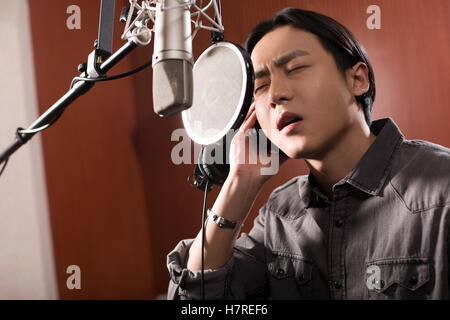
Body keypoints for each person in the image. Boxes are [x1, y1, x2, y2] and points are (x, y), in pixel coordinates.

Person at [166, 8, 450, 299]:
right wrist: (240, 184)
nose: (275, 95)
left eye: (296, 69)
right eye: (261, 86)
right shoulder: (279, 216)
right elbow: (195, 299)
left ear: (358, 80)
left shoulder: (442, 192)